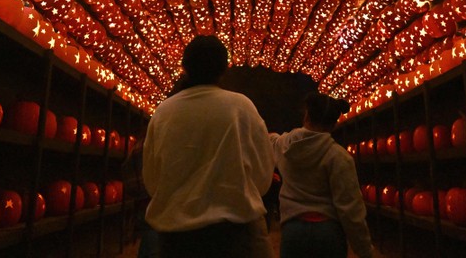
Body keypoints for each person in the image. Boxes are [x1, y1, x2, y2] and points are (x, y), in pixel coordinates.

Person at [142, 35, 275, 258]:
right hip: (236, 238)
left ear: (184, 67)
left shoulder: (164, 112)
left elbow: (152, 180)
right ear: (224, 68)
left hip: (176, 241)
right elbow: (263, 175)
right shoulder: (241, 107)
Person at [270, 93, 378, 258]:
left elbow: (270, 140)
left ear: (306, 115)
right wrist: (365, 250)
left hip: (293, 232)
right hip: (328, 235)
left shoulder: (284, 145)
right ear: (333, 124)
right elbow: (350, 210)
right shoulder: (339, 157)